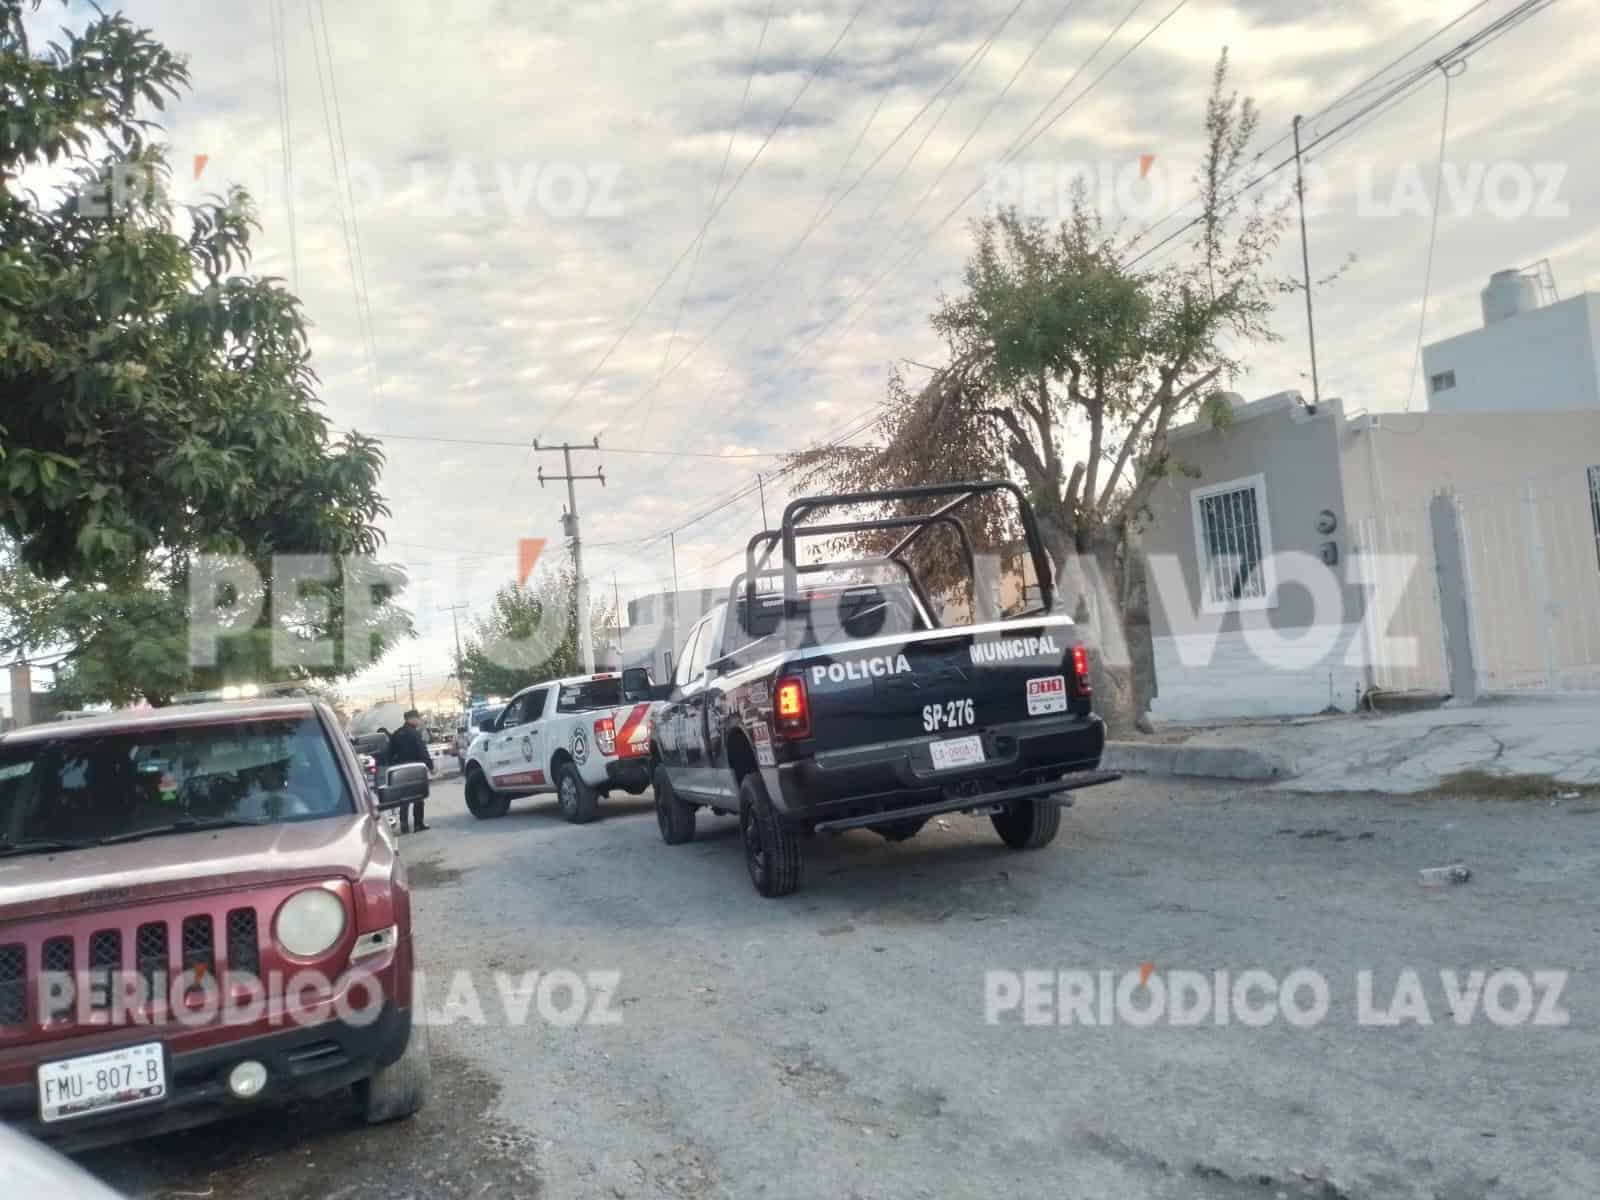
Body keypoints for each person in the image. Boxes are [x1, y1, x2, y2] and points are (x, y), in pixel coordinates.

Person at [385, 711, 433, 833]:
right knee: (418, 797)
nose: (419, 721)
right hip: (415, 768)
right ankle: (418, 824)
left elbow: (389, 754)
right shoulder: (415, 734)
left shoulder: (396, 734)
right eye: (418, 718)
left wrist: (393, 768)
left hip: (400, 770)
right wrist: (430, 766)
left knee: (403, 798)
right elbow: (422, 751)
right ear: (411, 719)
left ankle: (404, 825)